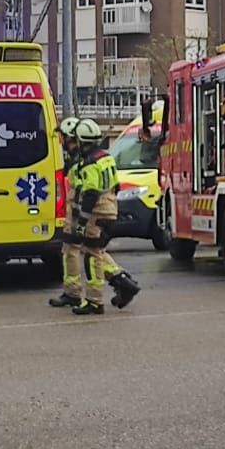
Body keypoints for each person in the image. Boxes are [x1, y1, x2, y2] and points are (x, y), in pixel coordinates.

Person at [68, 118, 140, 315]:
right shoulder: (106, 158)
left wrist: (82, 221)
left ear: (82, 141)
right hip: (110, 209)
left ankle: (94, 300)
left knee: (92, 256)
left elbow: (90, 194)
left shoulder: (89, 164)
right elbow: (116, 186)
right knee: (97, 252)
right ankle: (122, 283)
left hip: (97, 212)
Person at [48, 116, 86, 310]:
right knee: (73, 250)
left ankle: (120, 279)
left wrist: (79, 217)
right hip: (77, 209)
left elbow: (82, 189)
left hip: (80, 210)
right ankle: (71, 292)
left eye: (62, 136)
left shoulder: (79, 159)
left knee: (86, 250)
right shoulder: (74, 156)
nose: (60, 140)